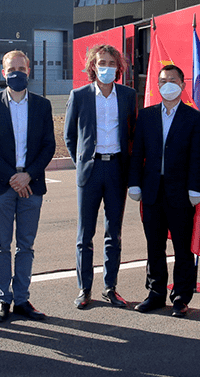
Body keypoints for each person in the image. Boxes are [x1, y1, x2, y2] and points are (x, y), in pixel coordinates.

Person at [0, 50, 56, 322]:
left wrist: (28, 176)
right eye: (12, 69)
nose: (17, 73)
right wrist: (13, 177)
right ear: (3, 72)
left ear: (29, 70)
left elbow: (49, 146)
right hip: (2, 185)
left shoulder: (42, 105)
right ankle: (3, 299)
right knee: (2, 245)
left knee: (26, 245)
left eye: (22, 68)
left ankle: (22, 299)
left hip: (32, 185)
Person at [128, 64, 200, 317]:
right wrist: (135, 182)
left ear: (183, 85)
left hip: (181, 192)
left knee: (182, 247)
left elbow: (197, 156)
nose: (167, 84)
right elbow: (137, 152)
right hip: (152, 191)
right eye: (163, 80)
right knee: (154, 245)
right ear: (158, 85)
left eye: (173, 79)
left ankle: (181, 296)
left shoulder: (194, 118)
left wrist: (194, 188)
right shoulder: (147, 116)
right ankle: (155, 293)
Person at [64, 44, 136, 309]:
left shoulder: (128, 95)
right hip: (91, 171)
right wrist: (82, 162)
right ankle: (85, 289)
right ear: (92, 66)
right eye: (101, 62)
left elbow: (132, 133)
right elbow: (70, 136)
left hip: (117, 169)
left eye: (111, 63)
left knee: (113, 233)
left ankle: (110, 287)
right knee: (85, 234)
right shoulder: (80, 95)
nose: (106, 67)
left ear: (119, 68)